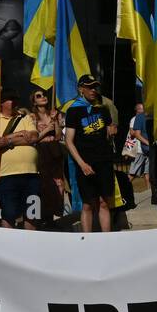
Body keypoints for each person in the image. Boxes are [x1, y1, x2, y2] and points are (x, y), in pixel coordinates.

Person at [63, 80, 116, 233]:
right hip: (85, 163)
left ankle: (107, 238)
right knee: (87, 203)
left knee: (104, 202)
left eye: (95, 87)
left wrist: (112, 132)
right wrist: (82, 164)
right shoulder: (73, 111)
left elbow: (108, 134)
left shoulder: (103, 109)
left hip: (104, 161)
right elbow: (69, 141)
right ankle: (87, 238)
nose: (93, 90)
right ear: (81, 89)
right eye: (89, 87)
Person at [0, 91, 40, 229]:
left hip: (32, 174)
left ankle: (30, 243)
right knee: (9, 213)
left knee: (32, 213)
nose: (14, 102)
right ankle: (9, 245)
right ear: (1, 102)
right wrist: (19, 135)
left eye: (15, 99)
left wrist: (7, 139)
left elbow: (33, 137)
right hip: (6, 175)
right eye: (10, 99)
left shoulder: (25, 118)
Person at [29, 88, 65, 223]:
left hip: (55, 152)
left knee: (58, 184)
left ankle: (52, 216)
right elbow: (33, 139)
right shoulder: (32, 117)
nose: (43, 97)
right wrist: (46, 131)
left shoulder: (54, 114)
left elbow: (58, 136)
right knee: (43, 185)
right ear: (34, 101)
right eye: (39, 96)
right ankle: (41, 217)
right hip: (40, 152)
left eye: (44, 95)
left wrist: (55, 122)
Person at [125, 99, 150, 179]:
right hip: (138, 148)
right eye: (143, 108)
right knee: (133, 173)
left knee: (147, 172)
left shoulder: (144, 118)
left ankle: (149, 189)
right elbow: (132, 133)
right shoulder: (135, 119)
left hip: (145, 149)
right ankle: (125, 187)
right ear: (138, 110)